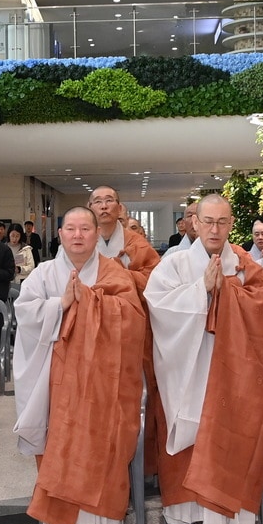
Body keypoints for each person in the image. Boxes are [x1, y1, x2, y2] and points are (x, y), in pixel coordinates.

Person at [144, 194, 263, 524]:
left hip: (233, 368)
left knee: (232, 437)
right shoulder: (173, 264)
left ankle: (231, 523)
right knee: (186, 436)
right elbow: (157, 304)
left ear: (231, 224)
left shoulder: (246, 264)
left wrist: (230, 291)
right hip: (185, 367)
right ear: (195, 223)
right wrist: (201, 290)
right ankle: (183, 523)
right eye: (208, 221)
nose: (215, 229)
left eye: (222, 222)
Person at [13, 207, 147, 524]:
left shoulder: (114, 271)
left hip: (104, 380)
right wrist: (62, 303)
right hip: (56, 380)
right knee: (59, 444)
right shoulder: (43, 274)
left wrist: (88, 300)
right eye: (70, 228)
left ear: (95, 232)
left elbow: (133, 319)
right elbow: (25, 314)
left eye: (85, 229)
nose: (77, 235)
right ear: (60, 234)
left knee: (102, 446)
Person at [89, 185, 162, 476]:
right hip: (92, 332)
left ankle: (139, 466)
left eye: (109, 201)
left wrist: (120, 274)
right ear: (90, 208)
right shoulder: (82, 240)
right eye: (98, 201)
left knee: (137, 397)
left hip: (133, 331)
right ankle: (98, 464)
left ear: (119, 208)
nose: (104, 206)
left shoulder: (137, 244)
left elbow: (156, 281)